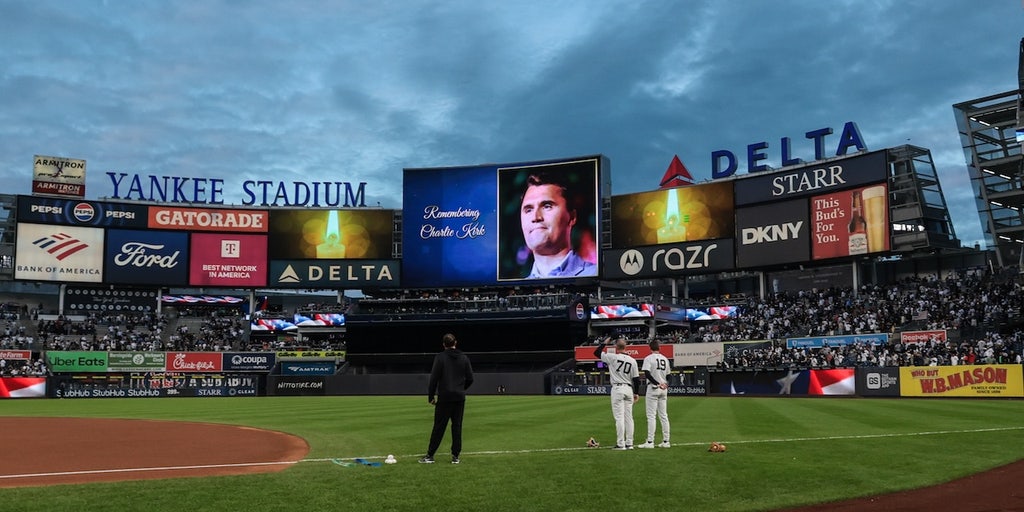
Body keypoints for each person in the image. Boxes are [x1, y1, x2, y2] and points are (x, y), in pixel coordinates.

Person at [519, 171, 596, 278]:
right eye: (528, 210)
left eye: (547, 206)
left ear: (572, 217)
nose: (536, 217)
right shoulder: (516, 289)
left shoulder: (593, 275)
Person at [419, 333, 474, 464]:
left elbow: (434, 378)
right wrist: (461, 388)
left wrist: (431, 396)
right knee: (457, 426)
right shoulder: (464, 358)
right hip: (459, 397)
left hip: (445, 396)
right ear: (456, 343)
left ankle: (430, 456)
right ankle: (455, 456)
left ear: (444, 344)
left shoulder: (440, 357)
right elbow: (470, 378)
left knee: (439, 427)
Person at [593, 336, 640, 450]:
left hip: (618, 388)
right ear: (626, 347)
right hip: (629, 389)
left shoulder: (612, 357)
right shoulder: (632, 360)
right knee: (629, 418)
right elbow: (636, 380)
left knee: (619, 417)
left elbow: (597, 352)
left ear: (616, 347)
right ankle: (629, 443)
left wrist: (605, 343)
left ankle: (621, 444)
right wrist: (636, 393)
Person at [638, 340, 671, 448]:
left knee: (651, 416)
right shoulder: (665, 359)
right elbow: (669, 375)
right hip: (663, 389)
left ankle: (650, 442)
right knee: (664, 416)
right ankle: (666, 441)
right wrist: (665, 384)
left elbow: (647, 373)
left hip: (653, 388)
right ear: (659, 348)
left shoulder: (649, 358)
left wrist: (657, 383)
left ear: (650, 348)